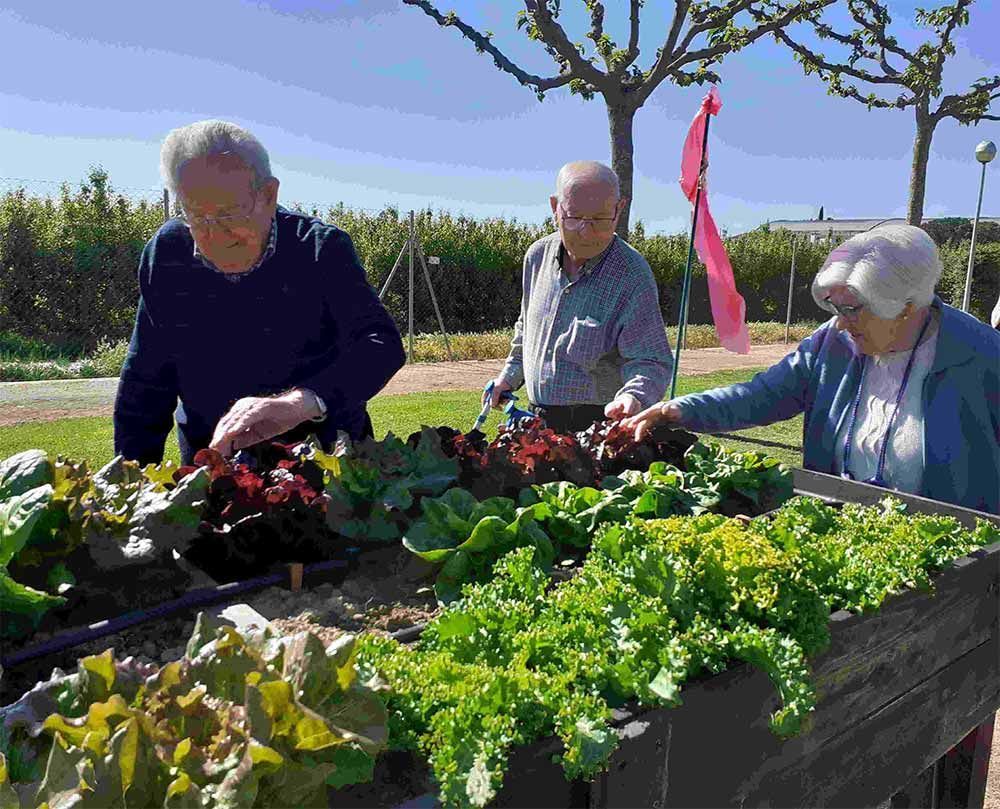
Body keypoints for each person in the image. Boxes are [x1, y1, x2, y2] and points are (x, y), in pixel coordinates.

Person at [621, 223, 1000, 515]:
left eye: (852, 309)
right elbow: (762, 395)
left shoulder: (983, 357)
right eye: (834, 308)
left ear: (905, 305)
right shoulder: (831, 344)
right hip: (842, 535)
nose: (839, 322)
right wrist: (681, 409)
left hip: (956, 562)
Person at [113, 120, 405, 465]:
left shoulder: (320, 249)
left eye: (228, 213)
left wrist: (301, 402)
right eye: (196, 215)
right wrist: (133, 483)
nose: (214, 234)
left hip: (326, 466)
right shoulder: (166, 254)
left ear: (268, 195)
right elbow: (145, 383)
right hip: (214, 467)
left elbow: (380, 343)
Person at [483, 161, 673, 433]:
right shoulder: (536, 257)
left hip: (597, 427)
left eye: (599, 219)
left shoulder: (632, 275)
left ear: (618, 210)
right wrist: (508, 378)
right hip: (539, 419)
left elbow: (651, 360)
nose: (586, 231)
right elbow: (527, 330)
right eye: (574, 218)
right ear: (554, 208)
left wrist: (633, 397)